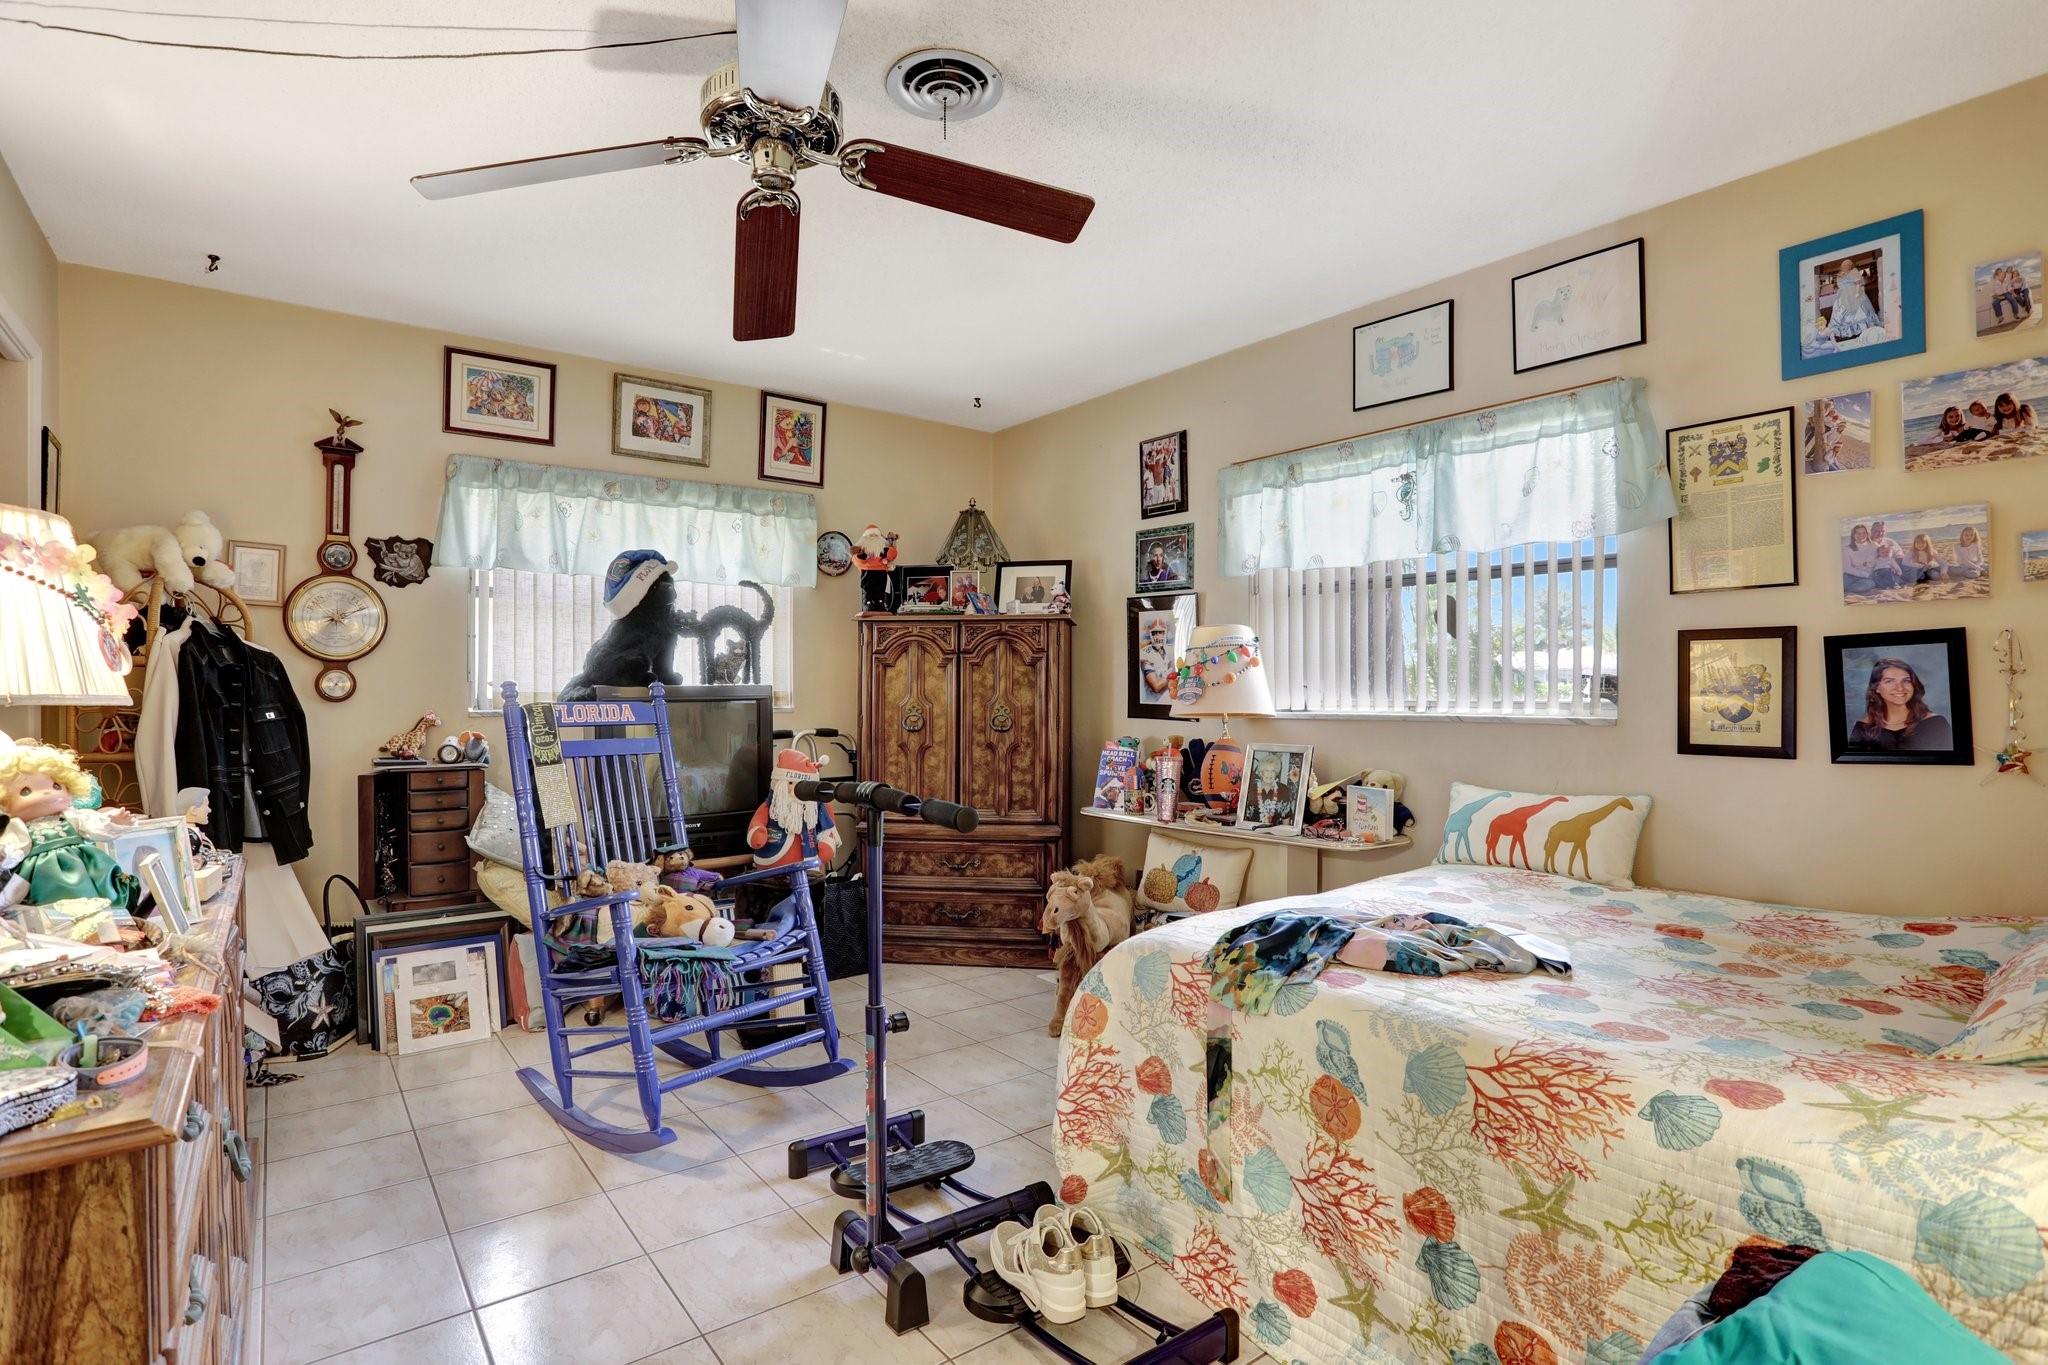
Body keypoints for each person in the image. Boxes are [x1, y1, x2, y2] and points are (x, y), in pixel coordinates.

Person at [1848, 657, 1954, 753]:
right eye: (1889, 681)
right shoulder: (1863, 728)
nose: (1900, 688)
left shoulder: (1935, 724)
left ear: (1913, 685)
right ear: (1876, 688)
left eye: (1906, 681)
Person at [1828, 257, 1880, 339]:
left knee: (1859, 310)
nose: (1846, 266)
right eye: (1845, 265)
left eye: (1848, 264)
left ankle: (1862, 327)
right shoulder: (1840, 274)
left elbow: (1858, 283)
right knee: (1841, 311)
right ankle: (1846, 330)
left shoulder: (1853, 272)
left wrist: (1857, 292)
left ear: (1850, 265)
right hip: (1842, 295)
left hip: (1853, 293)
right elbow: (1839, 285)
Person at [1842, 523, 1898, 596]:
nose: (1861, 535)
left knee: (1866, 586)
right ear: (1853, 535)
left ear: (1867, 534)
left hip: (1869, 578)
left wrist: (1892, 566)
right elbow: (1847, 568)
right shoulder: (1847, 549)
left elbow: (1885, 556)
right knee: (1843, 582)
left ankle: (1846, 590)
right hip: (1851, 575)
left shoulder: (1874, 545)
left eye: (1864, 533)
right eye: (1858, 533)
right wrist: (1864, 574)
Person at [1138, 616, 1175, 704]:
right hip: (1155, 701)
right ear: (1151, 634)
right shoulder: (1146, 654)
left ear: (1165, 634)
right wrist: (1173, 673)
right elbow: (1156, 687)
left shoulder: (1169, 649)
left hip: (1168, 696)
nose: (1157, 637)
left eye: (1160, 633)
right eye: (1155, 633)